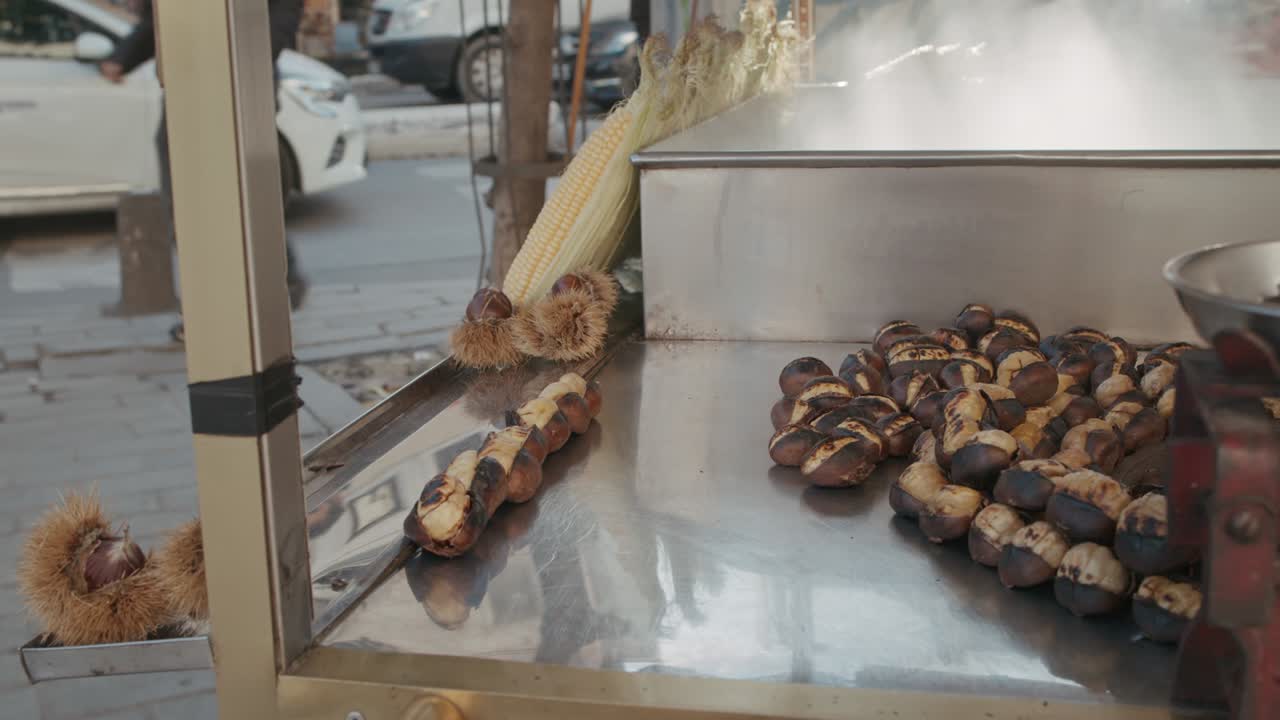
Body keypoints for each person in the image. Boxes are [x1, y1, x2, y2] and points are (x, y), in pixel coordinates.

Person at [101, 0, 309, 341]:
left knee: (245, 200)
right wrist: (124, 56)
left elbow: (276, 26)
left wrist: (226, 60)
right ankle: (207, 309)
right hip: (188, 89)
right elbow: (169, 16)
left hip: (242, 91)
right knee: (188, 205)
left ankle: (273, 289)